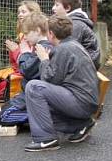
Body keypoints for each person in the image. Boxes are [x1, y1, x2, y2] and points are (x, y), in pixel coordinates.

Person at [23, 16, 99, 152]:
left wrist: (44, 60)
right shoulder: (74, 45)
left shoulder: (63, 49)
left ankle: (45, 139)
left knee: (34, 87)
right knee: (41, 111)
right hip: (87, 101)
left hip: (80, 101)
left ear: (51, 34)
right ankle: (81, 125)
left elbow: (49, 79)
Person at [0, 12, 53, 125]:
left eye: (27, 33)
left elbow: (26, 71)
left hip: (37, 96)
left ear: (37, 31)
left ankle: (43, 117)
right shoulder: (41, 46)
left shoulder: (43, 48)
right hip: (32, 94)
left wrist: (24, 53)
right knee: (4, 108)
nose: (25, 37)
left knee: (3, 116)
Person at [52, 0, 101, 69]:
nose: (53, 8)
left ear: (67, 8)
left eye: (57, 5)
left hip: (84, 68)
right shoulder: (73, 22)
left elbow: (68, 50)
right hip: (81, 65)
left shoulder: (75, 24)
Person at [4, 0, 41, 72]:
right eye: (19, 12)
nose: (19, 15)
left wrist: (15, 50)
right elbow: (15, 64)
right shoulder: (21, 34)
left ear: (33, 13)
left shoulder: (35, 35)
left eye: (23, 12)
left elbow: (29, 63)